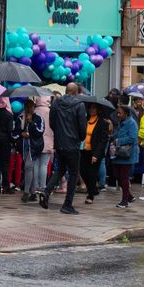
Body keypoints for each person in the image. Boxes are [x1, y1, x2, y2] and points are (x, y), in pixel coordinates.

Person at [39, 83, 87, 215]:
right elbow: (82, 126)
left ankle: (46, 191)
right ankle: (67, 204)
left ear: (66, 91)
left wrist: (60, 135)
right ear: (76, 93)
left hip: (59, 142)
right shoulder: (79, 105)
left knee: (60, 169)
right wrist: (79, 138)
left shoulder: (56, 104)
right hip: (72, 143)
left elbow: (52, 123)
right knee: (73, 173)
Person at [12, 98, 45, 203]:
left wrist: (31, 124)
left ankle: (26, 193)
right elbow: (15, 132)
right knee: (29, 168)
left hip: (34, 147)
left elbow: (40, 132)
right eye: (27, 106)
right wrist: (21, 134)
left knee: (28, 167)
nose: (29, 109)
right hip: (23, 147)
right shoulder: (20, 118)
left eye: (31, 106)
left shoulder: (38, 118)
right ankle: (33, 193)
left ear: (34, 107)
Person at [79, 103, 109, 205]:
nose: (92, 110)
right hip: (83, 150)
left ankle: (90, 195)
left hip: (95, 152)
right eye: (90, 108)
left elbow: (103, 141)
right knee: (82, 171)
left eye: (94, 108)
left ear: (98, 110)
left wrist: (96, 154)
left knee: (92, 173)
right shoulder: (85, 120)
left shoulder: (103, 123)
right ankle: (93, 188)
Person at [110, 105, 139, 208]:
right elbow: (117, 133)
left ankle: (124, 200)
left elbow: (132, 138)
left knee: (123, 177)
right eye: (117, 113)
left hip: (127, 154)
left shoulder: (131, 123)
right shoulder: (121, 122)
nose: (118, 115)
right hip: (119, 154)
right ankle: (129, 196)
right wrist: (110, 136)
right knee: (117, 175)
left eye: (120, 113)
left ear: (126, 113)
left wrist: (118, 141)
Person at [34, 96, 53, 193]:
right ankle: (42, 186)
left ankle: (35, 185)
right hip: (48, 140)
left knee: (36, 164)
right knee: (44, 165)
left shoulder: (34, 110)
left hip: (36, 141)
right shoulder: (50, 111)